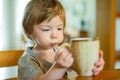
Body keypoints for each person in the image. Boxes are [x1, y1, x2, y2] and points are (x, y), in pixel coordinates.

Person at [18, 0, 105, 80]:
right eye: (46, 29)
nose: (55, 35)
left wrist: (93, 65)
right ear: (29, 31)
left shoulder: (59, 51)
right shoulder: (27, 60)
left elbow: (81, 70)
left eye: (59, 28)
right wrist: (58, 67)